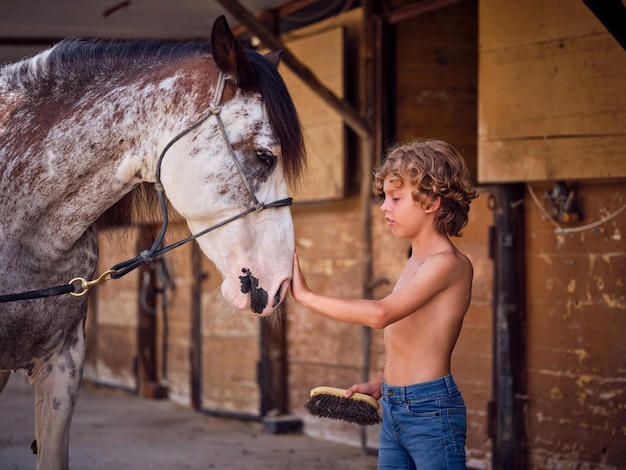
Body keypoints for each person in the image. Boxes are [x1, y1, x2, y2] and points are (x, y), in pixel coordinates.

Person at [291, 139, 478, 469]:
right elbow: (417, 339)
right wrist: (381, 382)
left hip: (430, 410)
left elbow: (382, 314)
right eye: (385, 198)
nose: (384, 207)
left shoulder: (447, 264)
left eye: (395, 197)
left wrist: (306, 296)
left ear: (432, 201)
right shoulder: (415, 260)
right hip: (394, 405)